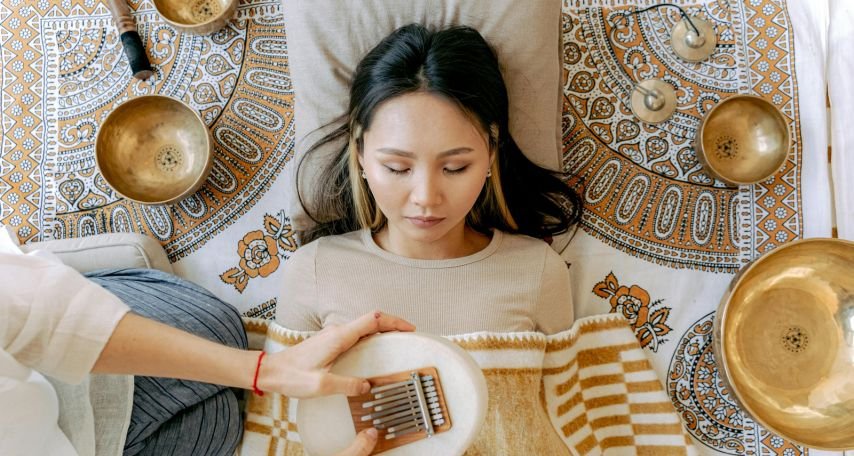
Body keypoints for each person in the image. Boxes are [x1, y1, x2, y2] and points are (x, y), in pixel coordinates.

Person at [279, 23, 583, 335]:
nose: (426, 197)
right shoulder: (314, 271)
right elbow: (280, 385)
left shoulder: (538, 272)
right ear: (360, 153)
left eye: (455, 167)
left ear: (491, 152)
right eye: (397, 167)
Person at [0, 251, 414, 456]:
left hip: (41, 364)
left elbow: (37, 310)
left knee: (220, 326)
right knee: (218, 425)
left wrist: (264, 370)